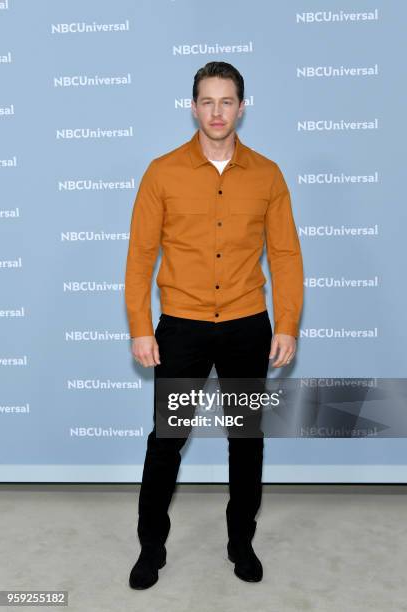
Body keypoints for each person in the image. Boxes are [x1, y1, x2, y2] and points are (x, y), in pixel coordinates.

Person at [125, 61, 304, 589]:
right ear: (193, 106)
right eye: (208, 101)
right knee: (166, 441)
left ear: (242, 107)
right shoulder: (162, 172)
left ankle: (240, 542)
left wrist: (287, 323)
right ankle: (150, 547)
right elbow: (140, 255)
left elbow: (286, 255)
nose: (217, 111)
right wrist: (140, 324)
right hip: (182, 328)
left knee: (246, 441)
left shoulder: (268, 174)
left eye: (227, 101)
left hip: (248, 327)